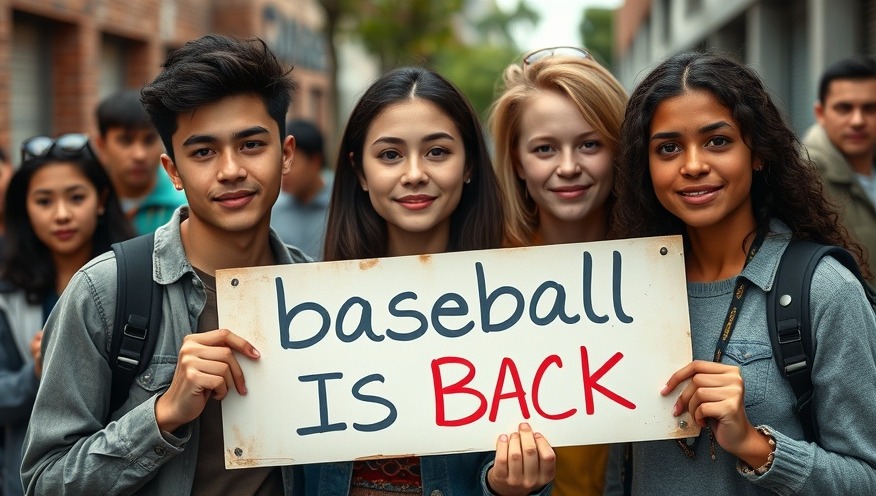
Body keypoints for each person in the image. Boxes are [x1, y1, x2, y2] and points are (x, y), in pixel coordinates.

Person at [21, 35, 309, 495]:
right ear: (172, 171)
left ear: (286, 154)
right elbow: (44, 481)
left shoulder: (319, 293)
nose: (231, 169)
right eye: (203, 152)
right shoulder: (104, 292)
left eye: (252, 144)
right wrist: (162, 414)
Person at [605, 50, 876, 495]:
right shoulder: (628, 295)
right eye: (668, 148)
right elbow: (622, 473)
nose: (693, 164)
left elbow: (872, 479)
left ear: (758, 153)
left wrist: (756, 445)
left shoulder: (824, 292)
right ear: (646, 166)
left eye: (717, 141)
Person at [301, 66, 556, 495]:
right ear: (359, 171)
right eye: (389, 155)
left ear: (470, 164)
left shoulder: (527, 303)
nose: (415, 173)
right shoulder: (302, 308)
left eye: (437, 152)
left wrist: (507, 486)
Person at [487, 47, 626, 496]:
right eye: (545, 148)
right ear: (517, 162)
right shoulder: (478, 279)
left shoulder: (669, 266)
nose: (568, 167)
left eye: (590, 144)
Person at [0, 134, 132, 496]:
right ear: (24, 207)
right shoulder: (6, 291)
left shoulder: (136, 277)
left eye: (76, 197)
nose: (62, 214)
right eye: (44, 200)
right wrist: (37, 374)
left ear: (101, 199)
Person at [803, 56, 876, 291]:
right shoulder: (802, 177)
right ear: (821, 113)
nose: (857, 121)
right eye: (844, 108)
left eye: (870, 108)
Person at [94, 89, 187, 235]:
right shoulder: (86, 204)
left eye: (149, 140)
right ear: (102, 146)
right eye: (126, 141)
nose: (139, 155)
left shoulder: (186, 208)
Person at [270, 119, 333, 259]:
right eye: (279, 163)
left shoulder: (343, 203)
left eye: (292, 163)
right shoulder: (274, 208)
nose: (284, 172)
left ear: (315, 161)